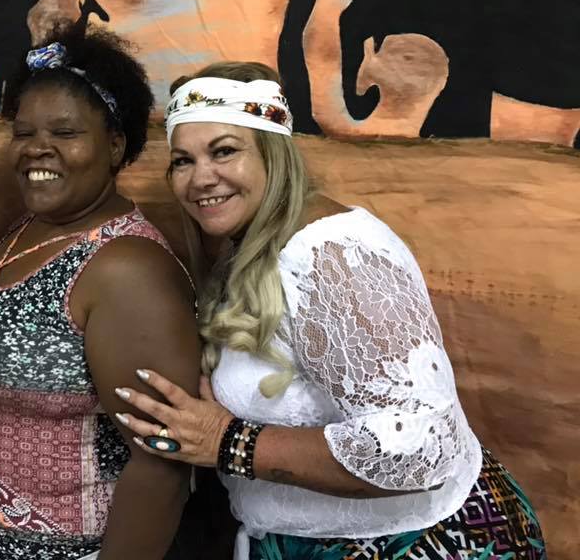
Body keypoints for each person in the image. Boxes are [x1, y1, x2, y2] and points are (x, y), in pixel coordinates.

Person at [114, 62, 546, 559]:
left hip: (416, 544)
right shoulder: (253, 246)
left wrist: (228, 441)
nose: (200, 178)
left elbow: (423, 447)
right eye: (182, 161)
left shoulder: (331, 254)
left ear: (273, 153)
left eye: (225, 151)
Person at [0, 25, 202, 560]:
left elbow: (162, 465)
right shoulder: (37, 224)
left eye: (65, 132)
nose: (38, 147)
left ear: (115, 145)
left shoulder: (127, 270)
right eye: (24, 132)